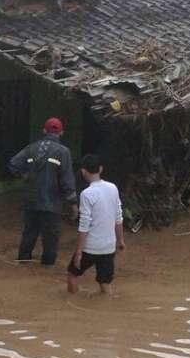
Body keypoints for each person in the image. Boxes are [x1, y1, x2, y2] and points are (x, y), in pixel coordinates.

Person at [10, 117, 77, 266]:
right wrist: (73, 204)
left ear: (44, 131)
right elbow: (67, 180)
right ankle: (47, 268)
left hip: (31, 201)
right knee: (51, 238)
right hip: (52, 204)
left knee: (29, 234)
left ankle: (23, 263)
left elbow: (13, 164)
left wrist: (25, 176)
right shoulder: (63, 152)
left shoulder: (31, 148)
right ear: (61, 132)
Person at [67, 154, 125, 296]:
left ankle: (72, 304)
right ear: (100, 169)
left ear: (83, 171)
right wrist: (120, 240)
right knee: (105, 283)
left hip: (90, 247)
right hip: (109, 246)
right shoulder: (113, 188)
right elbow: (118, 217)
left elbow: (84, 225)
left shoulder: (87, 194)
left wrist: (79, 252)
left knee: (72, 275)